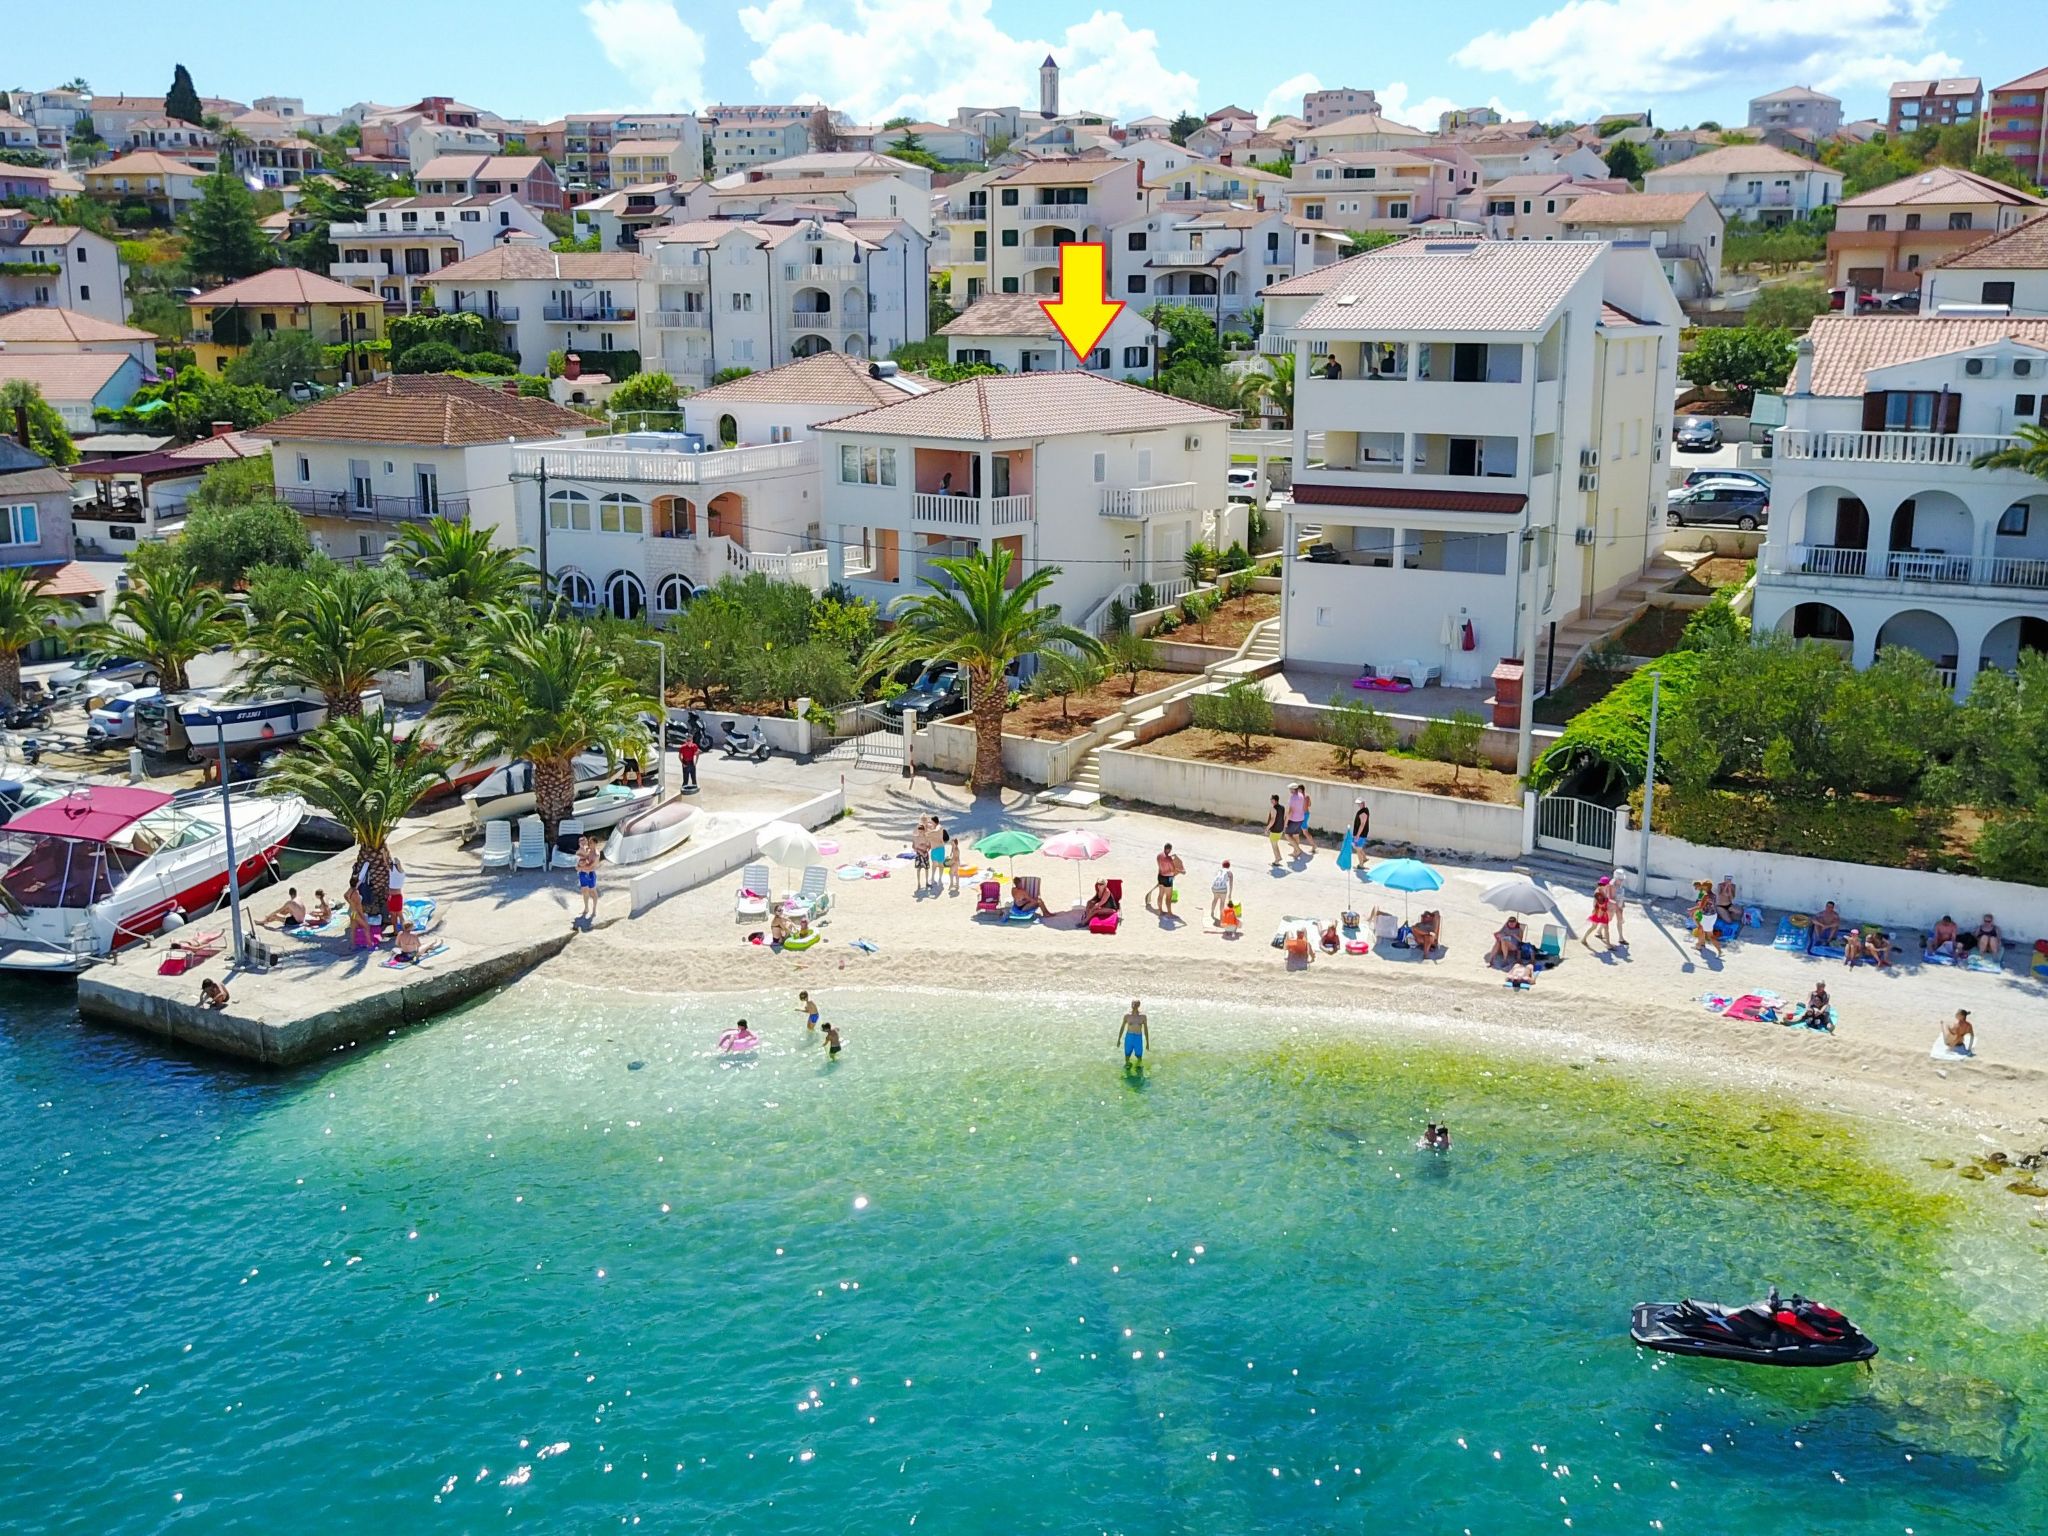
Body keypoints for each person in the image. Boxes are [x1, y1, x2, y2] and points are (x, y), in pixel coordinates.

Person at [1147, 843, 1185, 916]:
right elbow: (1173, 870)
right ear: (1169, 849)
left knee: (1161, 894)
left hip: (1160, 876)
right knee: (1168, 896)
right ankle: (1169, 913)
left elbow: (1161, 865)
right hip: (1168, 879)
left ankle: (1160, 910)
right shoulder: (1169, 859)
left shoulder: (1159, 856)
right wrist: (1182, 871)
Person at [575, 836, 599, 921]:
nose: (589, 844)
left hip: (590, 873)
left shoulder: (596, 854)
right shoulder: (585, 850)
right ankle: (586, 908)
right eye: (589, 842)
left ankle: (594, 909)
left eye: (591, 842)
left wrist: (580, 867)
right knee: (584, 891)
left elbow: (590, 866)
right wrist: (579, 865)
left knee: (593, 891)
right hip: (583, 873)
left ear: (595, 843)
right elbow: (578, 862)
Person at [1119, 999, 1149, 1068]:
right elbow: (1122, 1028)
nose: (1134, 1006)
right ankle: (1127, 1065)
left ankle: (1138, 1069)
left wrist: (1147, 1043)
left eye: (1135, 1004)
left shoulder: (1143, 1017)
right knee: (1127, 1055)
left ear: (1138, 1005)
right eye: (1133, 1004)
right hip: (1129, 1036)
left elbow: (1146, 1030)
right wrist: (1119, 1039)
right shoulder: (1127, 1016)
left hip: (1138, 1037)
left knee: (1139, 1057)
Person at [1599, 876, 1627, 948]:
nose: (1622, 881)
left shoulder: (1620, 885)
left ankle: (1621, 938)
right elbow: (1608, 897)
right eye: (1620, 879)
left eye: (1622, 879)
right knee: (1608, 920)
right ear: (1616, 878)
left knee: (1620, 921)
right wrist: (1615, 902)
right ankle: (1599, 931)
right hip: (1612, 906)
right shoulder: (1611, 885)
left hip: (1619, 906)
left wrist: (1621, 904)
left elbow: (1621, 896)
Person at [1585, 882, 1614, 949]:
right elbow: (1599, 904)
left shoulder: (1603, 890)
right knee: (1593, 927)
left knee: (1606, 928)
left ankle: (1608, 944)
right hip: (1598, 913)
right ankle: (1584, 939)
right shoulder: (1598, 893)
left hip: (1603, 913)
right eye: (1607, 884)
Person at [385, 857, 407, 936]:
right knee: (396, 915)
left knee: (397, 915)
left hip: (395, 897)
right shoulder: (397, 872)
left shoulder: (397, 872)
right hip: (393, 897)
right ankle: (398, 931)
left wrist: (384, 853)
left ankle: (401, 931)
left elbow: (387, 862)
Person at [1264, 794, 1287, 867]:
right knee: (1275, 844)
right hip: (1280, 829)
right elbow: (1284, 818)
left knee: (1274, 846)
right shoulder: (1282, 807)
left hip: (1274, 830)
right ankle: (1278, 857)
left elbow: (1272, 820)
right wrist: (1284, 828)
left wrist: (1267, 828)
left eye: (1272, 799)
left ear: (1275, 800)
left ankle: (1277, 860)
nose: (1270, 800)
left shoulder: (1273, 808)